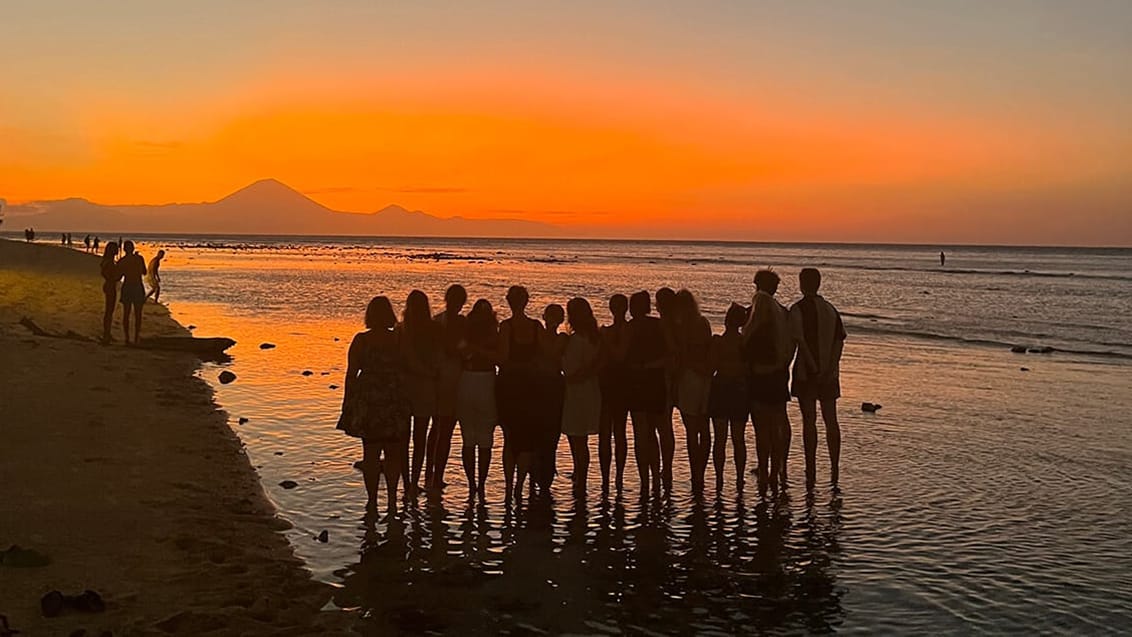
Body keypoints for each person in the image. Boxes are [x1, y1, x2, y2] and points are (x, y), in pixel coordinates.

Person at [337, 296, 411, 514]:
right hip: (393, 399)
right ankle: (391, 499)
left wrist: (347, 403)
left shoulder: (361, 340)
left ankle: (371, 501)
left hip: (370, 400)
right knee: (393, 452)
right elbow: (407, 368)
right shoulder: (399, 339)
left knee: (370, 453)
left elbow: (351, 374)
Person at [789, 268, 847, 490]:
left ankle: (811, 465)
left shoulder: (798, 310)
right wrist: (830, 367)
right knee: (831, 420)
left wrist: (814, 368)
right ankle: (834, 465)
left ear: (802, 284)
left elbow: (800, 342)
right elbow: (840, 340)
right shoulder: (831, 310)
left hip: (807, 372)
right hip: (830, 373)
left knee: (809, 421)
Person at [743, 269, 797, 497]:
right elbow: (792, 342)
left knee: (761, 425)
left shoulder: (760, 303)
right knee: (778, 421)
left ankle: (766, 467)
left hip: (761, 374)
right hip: (779, 373)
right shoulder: (782, 311)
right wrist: (784, 364)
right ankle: (778, 467)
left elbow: (749, 334)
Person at [497, 285, 545, 502]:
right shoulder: (536, 327)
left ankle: (510, 486)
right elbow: (543, 356)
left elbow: (504, 359)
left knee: (510, 439)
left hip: (511, 386)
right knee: (526, 439)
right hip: (531, 387)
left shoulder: (506, 327)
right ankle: (518, 485)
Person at [426, 284, 467, 490]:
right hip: (449, 379)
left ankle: (431, 473)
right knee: (444, 430)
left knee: (437, 429)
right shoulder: (458, 323)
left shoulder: (438, 322)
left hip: (441, 379)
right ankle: (435, 475)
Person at [625, 291, 666, 499]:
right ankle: (655, 477)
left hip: (638, 383)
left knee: (642, 433)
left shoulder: (630, 328)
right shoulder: (657, 325)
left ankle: (645, 479)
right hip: (654, 382)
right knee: (652, 432)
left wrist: (641, 366)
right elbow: (668, 355)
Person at [457, 299, 499, 499]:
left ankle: (473, 483)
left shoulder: (466, 333)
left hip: (468, 379)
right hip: (486, 380)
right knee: (484, 438)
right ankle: (479, 483)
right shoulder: (493, 334)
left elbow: (461, 354)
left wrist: (473, 350)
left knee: (469, 437)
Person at [561, 297, 602, 498]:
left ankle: (580, 473)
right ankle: (579, 472)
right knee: (580, 439)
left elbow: (572, 370)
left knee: (576, 437)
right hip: (590, 391)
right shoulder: (594, 337)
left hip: (577, 391)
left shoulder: (577, 339)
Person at [673, 289, 713, 497]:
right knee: (704, 429)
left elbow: (681, 356)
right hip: (704, 377)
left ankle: (695, 471)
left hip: (689, 377)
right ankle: (701, 471)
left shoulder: (681, 327)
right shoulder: (703, 322)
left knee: (691, 430)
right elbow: (709, 349)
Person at [401, 290, 440, 495]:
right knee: (420, 439)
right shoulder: (433, 329)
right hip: (425, 387)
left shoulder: (403, 329)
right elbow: (437, 358)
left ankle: (408, 482)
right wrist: (430, 372)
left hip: (406, 387)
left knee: (404, 438)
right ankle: (415, 481)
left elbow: (404, 358)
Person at [709, 303, 750, 493]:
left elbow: (712, 367)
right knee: (738, 438)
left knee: (720, 438)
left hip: (721, 389)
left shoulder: (718, 342)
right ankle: (740, 478)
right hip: (739, 391)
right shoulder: (745, 343)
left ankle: (719, 477)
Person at [598, 294, 631, 495]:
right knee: (606, 432)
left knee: (618, 431)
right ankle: (605, 476)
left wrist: (606, 339)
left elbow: (620, 356)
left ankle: (618, 475)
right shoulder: (608, 331)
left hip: (621, 383)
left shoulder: (626, 330)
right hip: (607, 382)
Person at [533, 303, 568, 495]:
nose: (552, 320)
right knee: (536, 430)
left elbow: (552, 353)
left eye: (556, 316)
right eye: (549, 315)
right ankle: (534, 473)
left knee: (552, 432)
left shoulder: (561, 338)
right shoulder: (537, 335)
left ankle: (546, 472)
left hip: (554, 386)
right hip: (538, 386)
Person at [654, 287, 679, 492]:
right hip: (670, 378)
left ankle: (665, 467)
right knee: (664, 426)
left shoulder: (664, 325)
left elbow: (672, 353)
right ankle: (665, 467)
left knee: (662, 425)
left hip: (664, 379)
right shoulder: (678, 323)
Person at [116, 240, 147, 345]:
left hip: (127, 286)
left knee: (126, 313)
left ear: (124, 249)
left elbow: (118, 276)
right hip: (137, 286)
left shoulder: (122, 261)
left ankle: (127, 338)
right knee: (138, 314)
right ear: (133, 248)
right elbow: (144, 272)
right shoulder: (139, 258)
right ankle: (136, 337)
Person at [99, 242, 120, 344]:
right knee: (109, 311)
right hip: (110, 286)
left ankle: (107, 333)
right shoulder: (109, 263)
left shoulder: (107, 261)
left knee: (109, 311)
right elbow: (114, 277)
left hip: (108, 285)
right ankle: (106, 334)